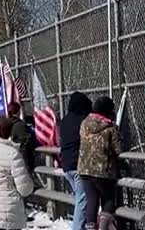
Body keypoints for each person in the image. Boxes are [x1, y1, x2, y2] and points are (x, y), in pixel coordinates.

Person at [78, 96, 123, 230]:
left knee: (91, 200)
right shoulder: (110, 127)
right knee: (108, 200)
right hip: (103, 170)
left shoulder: (84, 123)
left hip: (84, 169)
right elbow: (118, 149)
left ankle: (91, 227)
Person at [60, 91, 92, 230]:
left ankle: (83, 226)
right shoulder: (82, 121)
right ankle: (78, 227)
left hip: (66, 165)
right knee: (83, 198)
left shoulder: (65, 120)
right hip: (77, 164)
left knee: (81, 197)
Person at [7, 103, 36, 177]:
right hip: (21, 158)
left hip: (10, 157)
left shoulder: (7, 123)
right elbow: (26, 141)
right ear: (19, 111)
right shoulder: (19, 125)